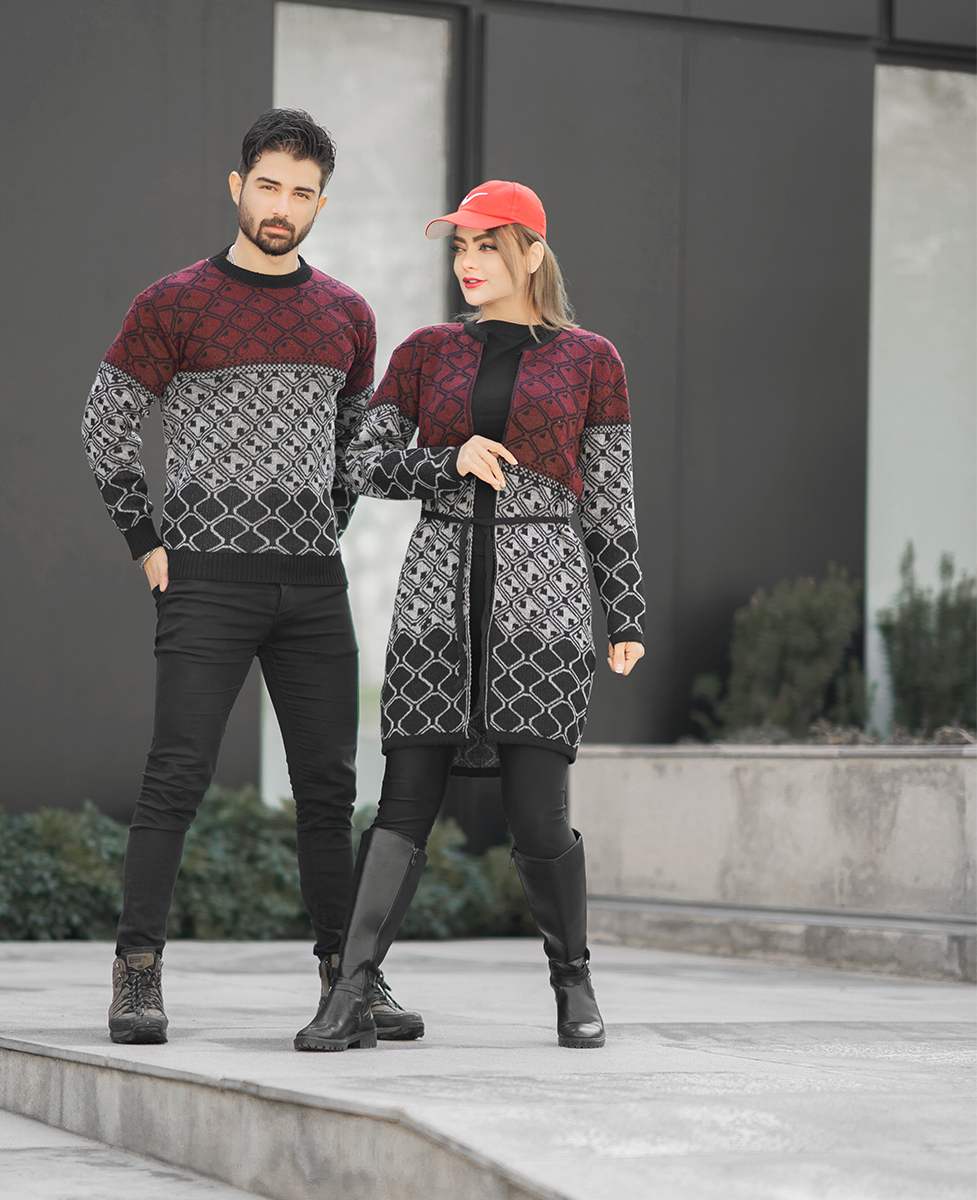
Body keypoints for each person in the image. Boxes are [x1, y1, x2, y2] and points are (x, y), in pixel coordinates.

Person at [82, 109, 422, 1045]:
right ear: (238, 187)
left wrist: (323, 530)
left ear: (320, 205)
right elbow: (105, 421)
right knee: (176, 777)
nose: (283, 206)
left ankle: (349, 980)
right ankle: (137, 974)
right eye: (269, 186)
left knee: (329, 789)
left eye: (302, 192)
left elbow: (353, 447)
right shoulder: (175, 303)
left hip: (312, 587)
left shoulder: (347, 314)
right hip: (206, 581)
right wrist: (147, 540)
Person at [294, 181, 645, 1052]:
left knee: (537, 812)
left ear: (531, 251)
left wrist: (625, 613)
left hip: (543, 602)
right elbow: (360, 461)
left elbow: (610, 498)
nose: (469, 263)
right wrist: (445, 460)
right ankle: (352, 990)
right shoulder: (426, 353)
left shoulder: (592, 359)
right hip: (437, 602)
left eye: (487, 245)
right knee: (404, 799)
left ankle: (573, 980)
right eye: (460, 247)